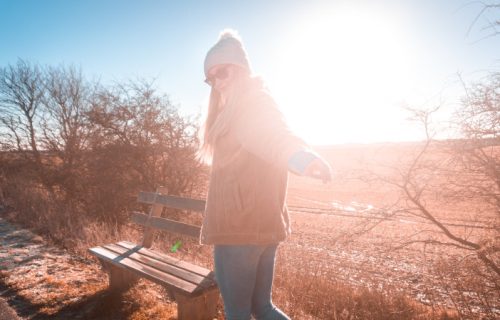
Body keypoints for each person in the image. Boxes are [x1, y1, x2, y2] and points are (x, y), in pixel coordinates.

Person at [199, 29, 332, 320]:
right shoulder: (251, 103)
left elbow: (273, 137)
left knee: (238, 314)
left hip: (238, 229)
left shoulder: (248, 106)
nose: (218, 82)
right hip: (261, 226)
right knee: (262, 309)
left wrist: (300, 157)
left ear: (242, 68)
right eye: (211, 77)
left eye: (223, 72)